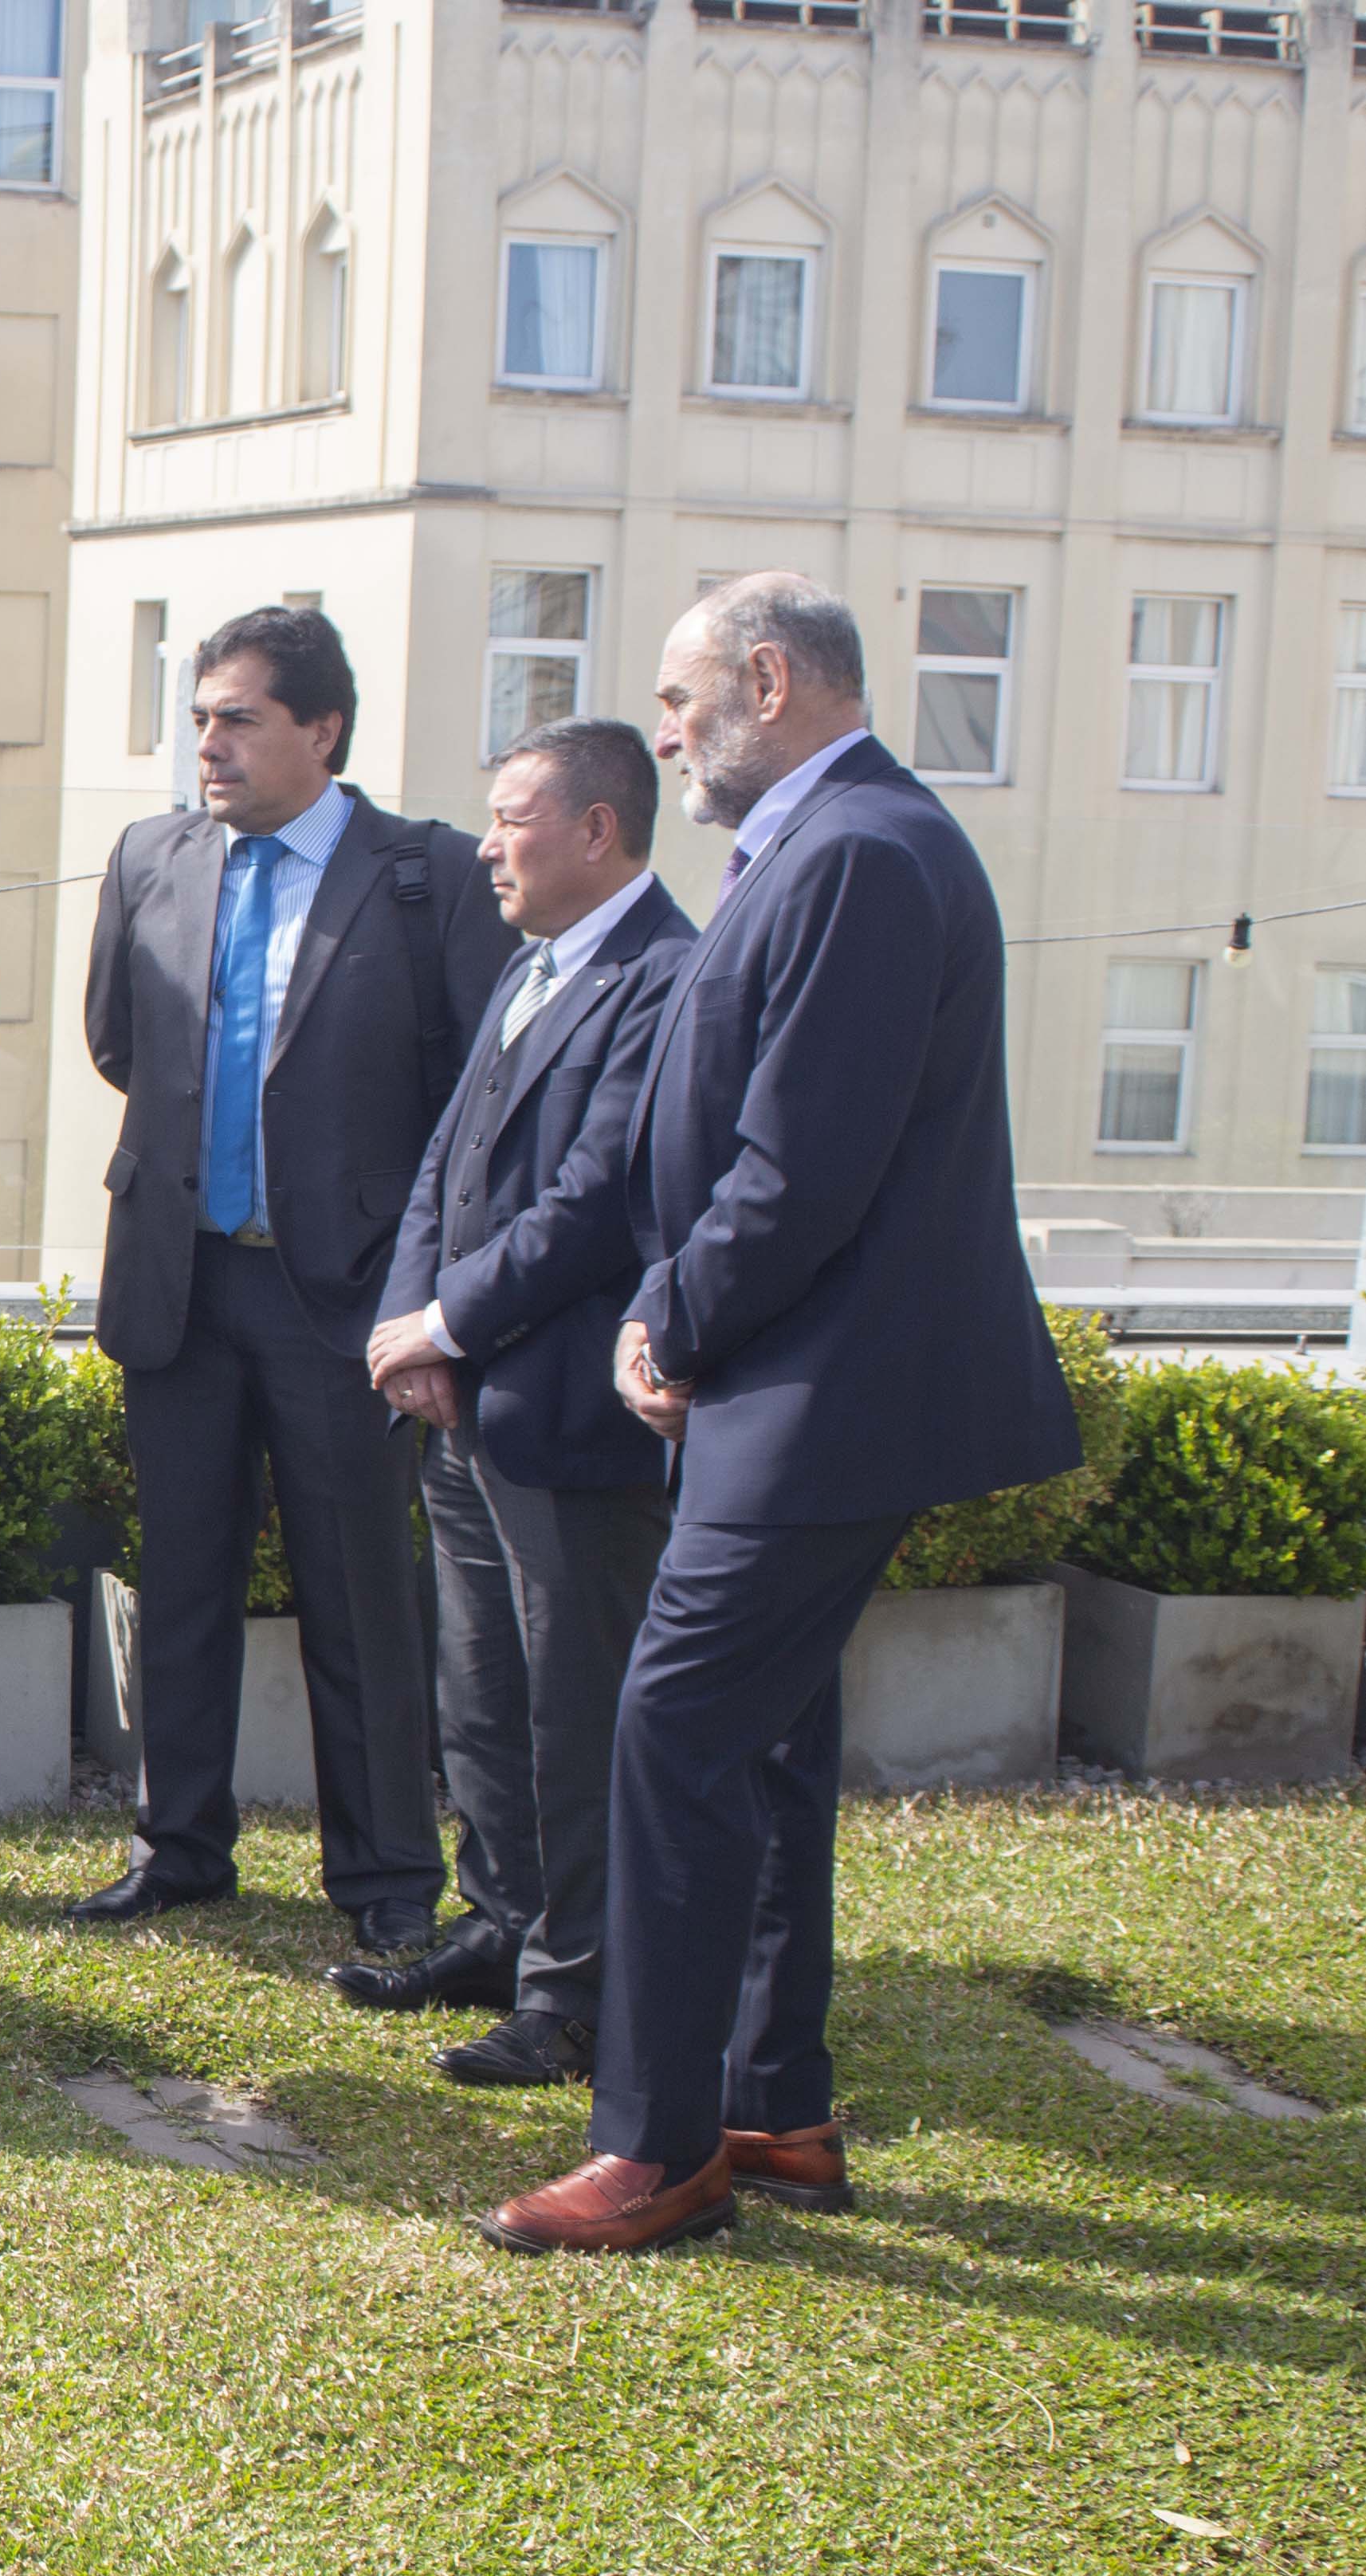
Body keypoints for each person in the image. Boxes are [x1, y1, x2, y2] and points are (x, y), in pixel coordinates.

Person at [482, 575, 1080, 2255]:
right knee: (763, 1742)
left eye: (679, 703)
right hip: (792, 1381)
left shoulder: (861, 853)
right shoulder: (824, 844)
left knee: (673, 1730)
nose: (666, 737)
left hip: (822, 1389)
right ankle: (772, 2109)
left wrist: (669, 1317)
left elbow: (803, 1163)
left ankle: (658, 2148)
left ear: (765, 680)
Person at [69, 607, 513, 1954]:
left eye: (238, 719)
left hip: (345, 1300)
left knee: (358, 1595)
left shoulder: (425, 875)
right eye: (199, 717)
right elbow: (117, 1042)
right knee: (180, 1580)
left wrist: (422, 1285)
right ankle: (177, 1848)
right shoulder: (149, 857)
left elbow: (478, 1098)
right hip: (180, 1282)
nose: (207, 744)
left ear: (321, 731)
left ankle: (384, 1878)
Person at [344, 719, 695, 2086]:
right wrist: (412, 1327)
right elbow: (447, 1159)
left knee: (572, 1710)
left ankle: (577, 1990)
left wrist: (447, 1320)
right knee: (481, 1692)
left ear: (596, 830)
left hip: (568, 1419)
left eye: (511, 819)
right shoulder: (529, 964)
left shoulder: (665, 977)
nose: (486, 846)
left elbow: (598, 1198)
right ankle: (500, 1924)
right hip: (463, 1407)